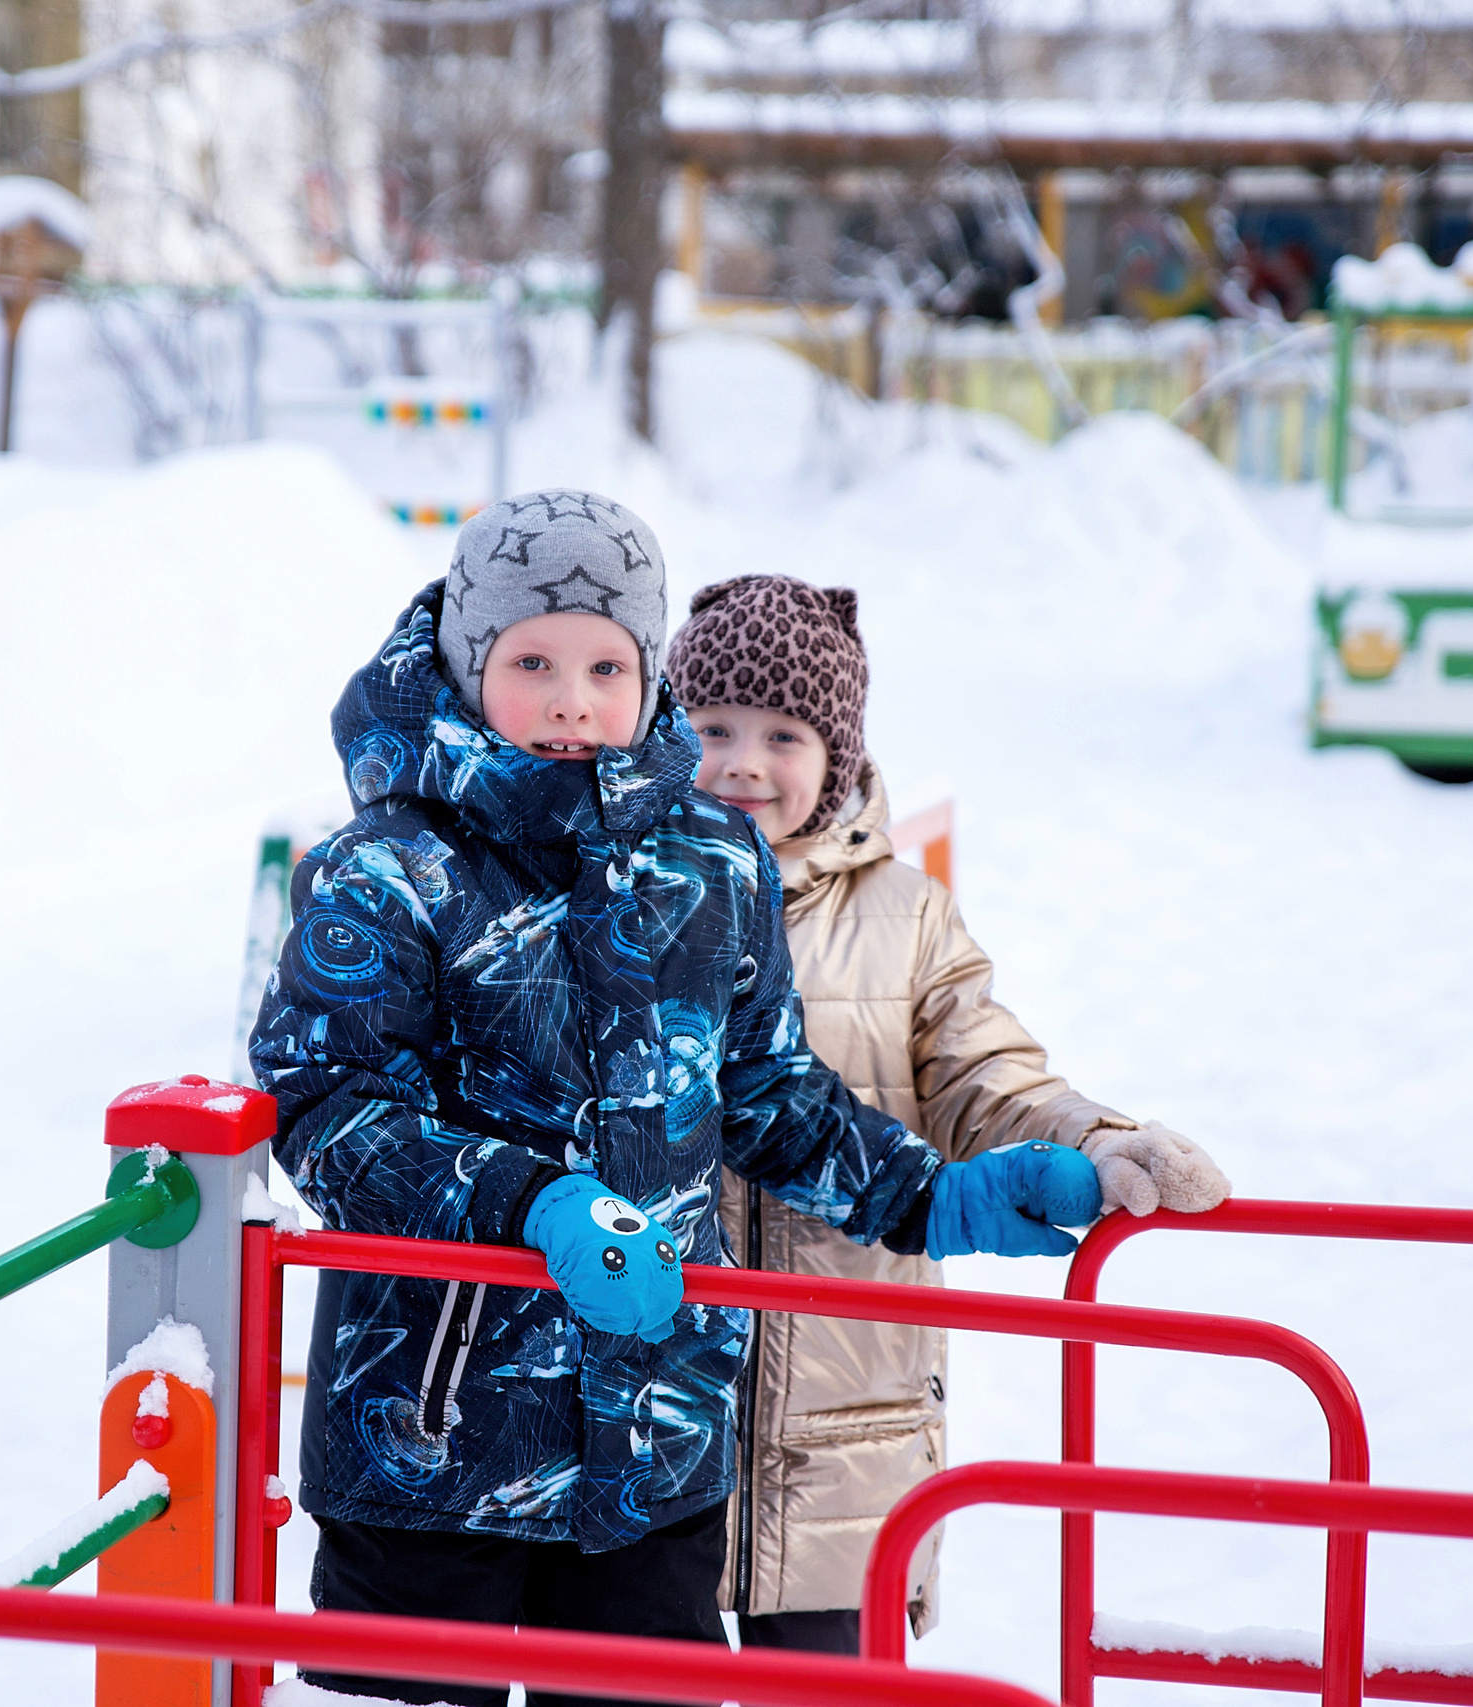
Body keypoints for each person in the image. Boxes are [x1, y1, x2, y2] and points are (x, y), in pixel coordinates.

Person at [248, 492, 1103, 1707]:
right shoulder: (388, 868)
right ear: (465, 660)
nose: (571, 701)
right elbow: (328, 1109)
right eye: (531, 663)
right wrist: (534, 1205)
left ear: (648, 675)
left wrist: (937, 1198)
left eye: (606, 667)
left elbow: (768, 1094)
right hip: (430, 1445)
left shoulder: (712, 857)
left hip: (658, 1440)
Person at [664, 573, 1233, 1655]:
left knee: (821, 1680)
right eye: (713, 727)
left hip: (840, 1410)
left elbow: (983, 1071)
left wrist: (1093, 1137)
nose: (742, 762)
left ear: (838, 756)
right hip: (653, 1409)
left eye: (783, 734)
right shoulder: (621, 895)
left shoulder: (904, 917)